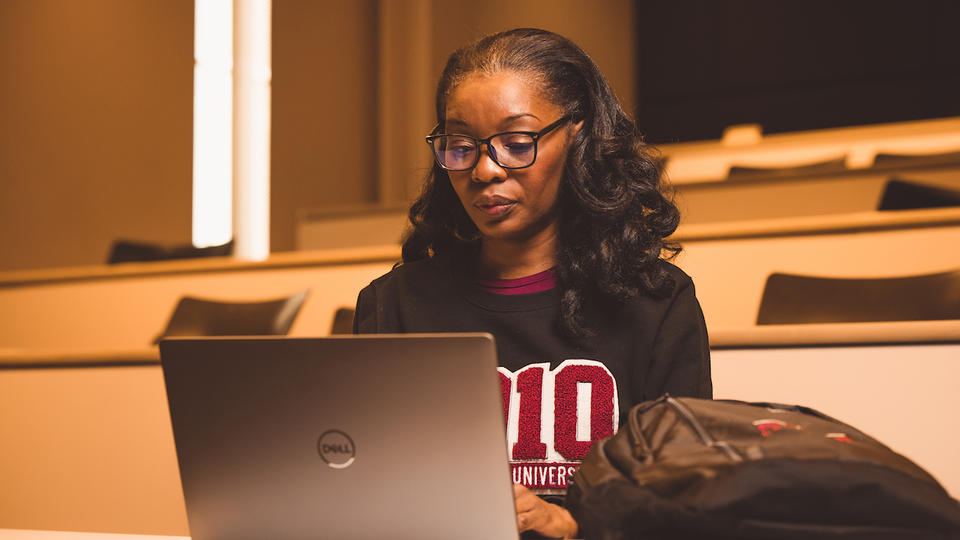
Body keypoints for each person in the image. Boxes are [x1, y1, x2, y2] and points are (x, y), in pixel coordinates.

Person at [353, 27, 712, 538]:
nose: (484, 170)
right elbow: (366, 487)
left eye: (516, 143)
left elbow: (686, 508)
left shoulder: (656, 303)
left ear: (579, 136)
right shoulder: (394, 304)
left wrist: (570, 525)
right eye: (460, 146)